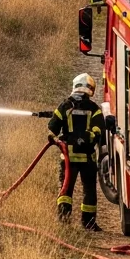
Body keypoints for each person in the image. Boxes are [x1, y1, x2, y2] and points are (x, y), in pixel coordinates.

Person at [47, 73, 105, 231]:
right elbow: (99, 130)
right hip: (87, 158)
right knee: (89, 190)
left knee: (65, 189)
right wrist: (87, 138)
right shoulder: (94, 108)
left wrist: (55, 138)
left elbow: (52, 127)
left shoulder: (64, 105)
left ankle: (64, 221)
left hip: (68, 158)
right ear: (90, 89)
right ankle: (89, 223)